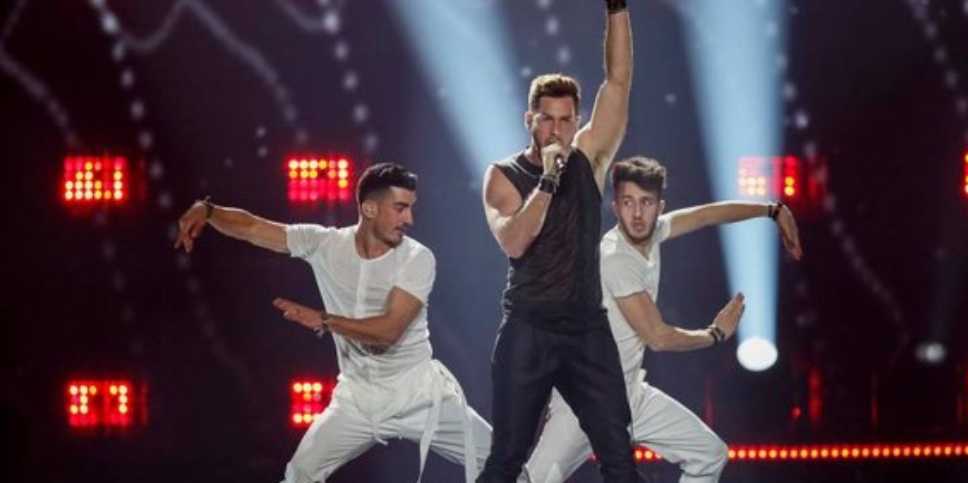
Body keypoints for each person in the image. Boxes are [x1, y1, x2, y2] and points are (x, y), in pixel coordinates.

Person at [174, 162, 491, 483]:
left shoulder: (417, 258)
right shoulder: (325, 244)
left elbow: (388, 332)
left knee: (504, 462)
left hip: (419, 394)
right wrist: (208, 211)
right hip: (356, 399)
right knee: (300, 475)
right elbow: (255, 228)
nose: (409, 219)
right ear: (369, 208)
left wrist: (323, 319)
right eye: (400, 208)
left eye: (410, 208)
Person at [521, 156, 803, 482]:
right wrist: (715, 334)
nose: (637, 214)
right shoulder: (615, 258)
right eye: (628, 202)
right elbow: (658, 337)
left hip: (629, 395)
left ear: (660, 207)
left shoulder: (654, 233)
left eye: (646, 202)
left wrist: (772, 210)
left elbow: (706, 215)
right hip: (583, 403)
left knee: (710, 455)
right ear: (615, 206)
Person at [477, 0, 640, 481]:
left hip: (586, 329)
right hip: (530, 327)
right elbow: (515, 242)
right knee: (506, 459)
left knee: (620, 457)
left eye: (567, 120)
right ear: (529, 119)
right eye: (547, 119)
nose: (557, 130)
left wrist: (616, 8)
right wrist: (548, 180)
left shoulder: (590, 158)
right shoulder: (503, 175)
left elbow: (618, 81)